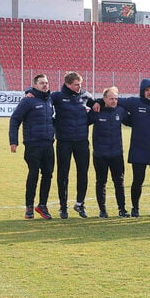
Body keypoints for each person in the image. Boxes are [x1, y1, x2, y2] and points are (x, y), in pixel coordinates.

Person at [114, 78, 150, 218]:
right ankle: (135, 208)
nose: (149, 92)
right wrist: (98, 102)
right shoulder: (134, 102)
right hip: (139, 148)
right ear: (142, 91)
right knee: (138, 180)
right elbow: (115, 100)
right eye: (147, 90)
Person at [9, 74, 55, 219]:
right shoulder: (27, 101)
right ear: (35, 85)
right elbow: (15, 119)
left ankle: (42, 205)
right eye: (42, 83)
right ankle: (29, 207)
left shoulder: (50, 100)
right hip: (33, 145)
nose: (45, 85)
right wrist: (13, 141)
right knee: (33, 174)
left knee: (48, 175)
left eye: (46, 82)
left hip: (48, 144)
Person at [51, 71, 94, 218]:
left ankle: (80, 204)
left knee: (83, 172)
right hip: (64, 141)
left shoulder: (85, 95)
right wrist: (30, 92)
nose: (79, 86)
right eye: (76, 84)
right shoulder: (57, 96)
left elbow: (97, 105)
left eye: (80, 84)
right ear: (68, 84)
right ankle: (63, 207)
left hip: (82, 141)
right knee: (63, 174)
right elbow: (41, 100)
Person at [88, 86, 129, 218]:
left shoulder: (121, 111)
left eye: (116, 98)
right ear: (104, 99)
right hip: (100, 154)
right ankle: (102, 210)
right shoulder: (96, 111)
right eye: (111, 98)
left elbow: (134, 122)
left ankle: (122, 209)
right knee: (101, 182)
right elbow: (81, 123)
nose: (114, 101)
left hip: (117, 153)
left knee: (119, 182)